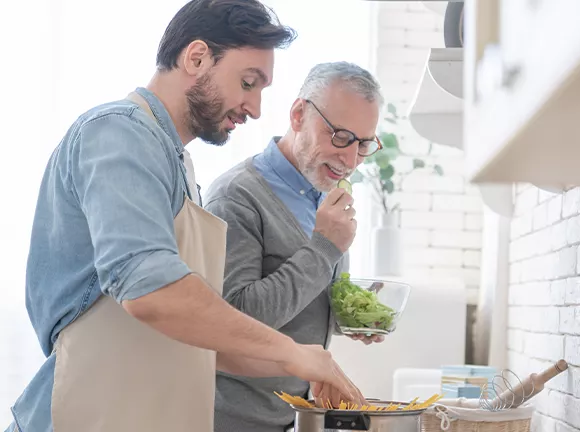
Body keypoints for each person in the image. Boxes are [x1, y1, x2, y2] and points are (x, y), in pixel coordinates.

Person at [5, 3, 365, 432]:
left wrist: (312, 366)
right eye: (248, 83)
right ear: (196, 58)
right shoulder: (118, 133)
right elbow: (153, 292)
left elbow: (211, 341)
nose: (253, 107)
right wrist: (294, 353)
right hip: (85, 415)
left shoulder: (177, 163)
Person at [203, 61, 385, 432]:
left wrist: (353, 317)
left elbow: (300, 302)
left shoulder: (324, 194)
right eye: (339, 136)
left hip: (291, 419)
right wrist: (323, 248)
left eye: (363, 144)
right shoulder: (236, 197)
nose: (350, 161)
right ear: (299, 114)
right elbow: (233, 322)